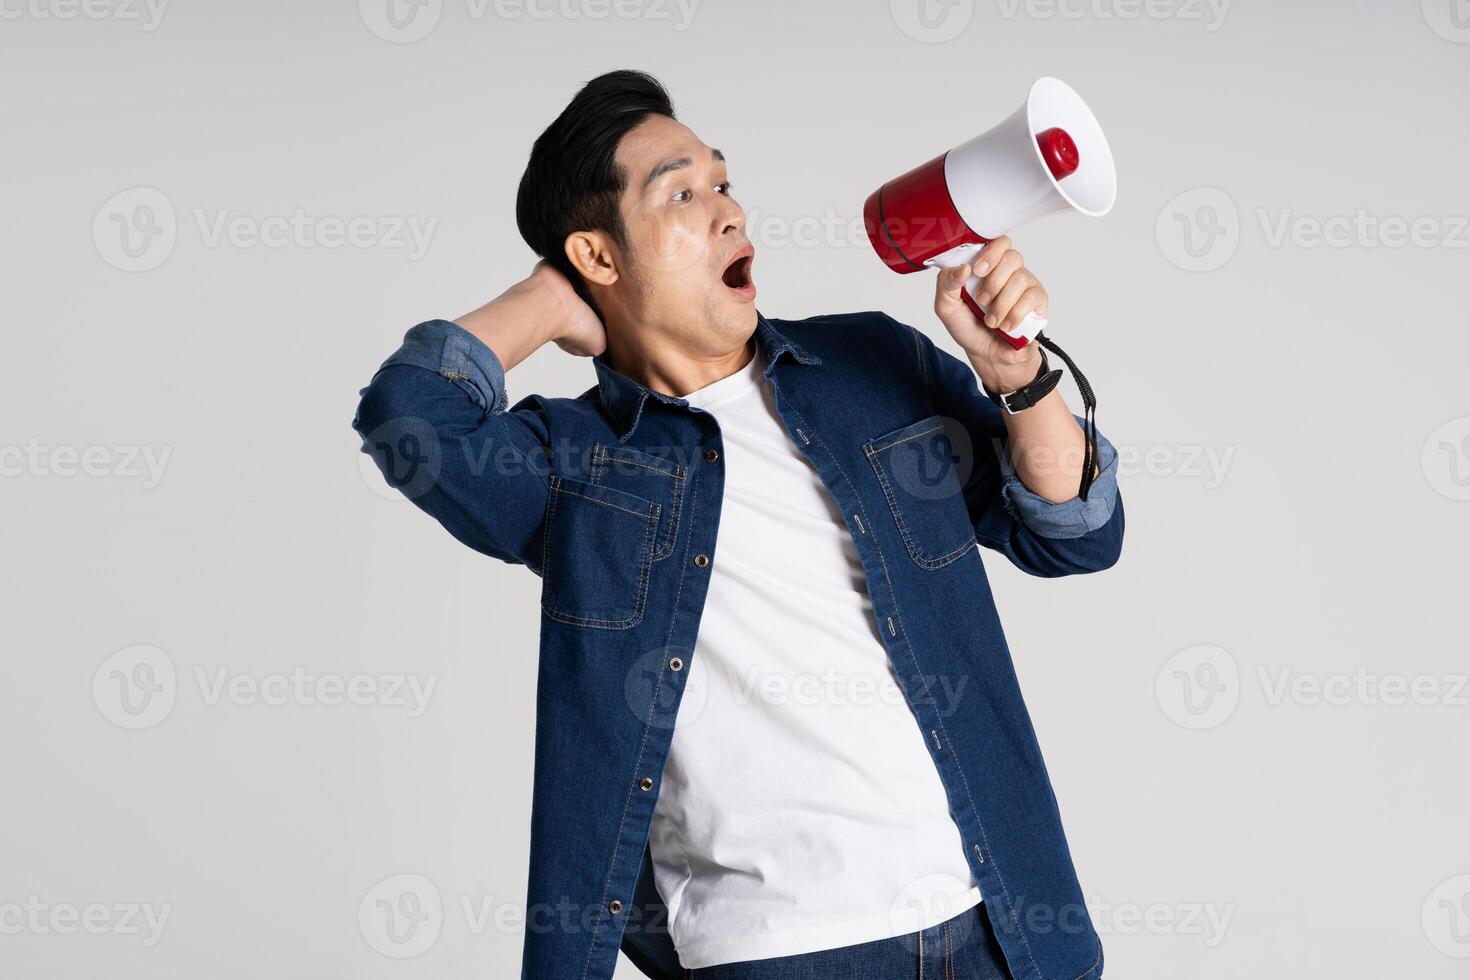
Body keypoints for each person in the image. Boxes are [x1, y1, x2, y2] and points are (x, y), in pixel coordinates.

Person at [352, 68, 1123, 980]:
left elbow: (1073, 532)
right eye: (681, 192)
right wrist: (548, 302)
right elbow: (409, 420)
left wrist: (1018, 376)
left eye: (723, 181)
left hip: (997, 926)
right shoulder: (573, 461)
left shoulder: (872, 361)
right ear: (598, 255)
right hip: (776, 952)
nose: (728, 210)